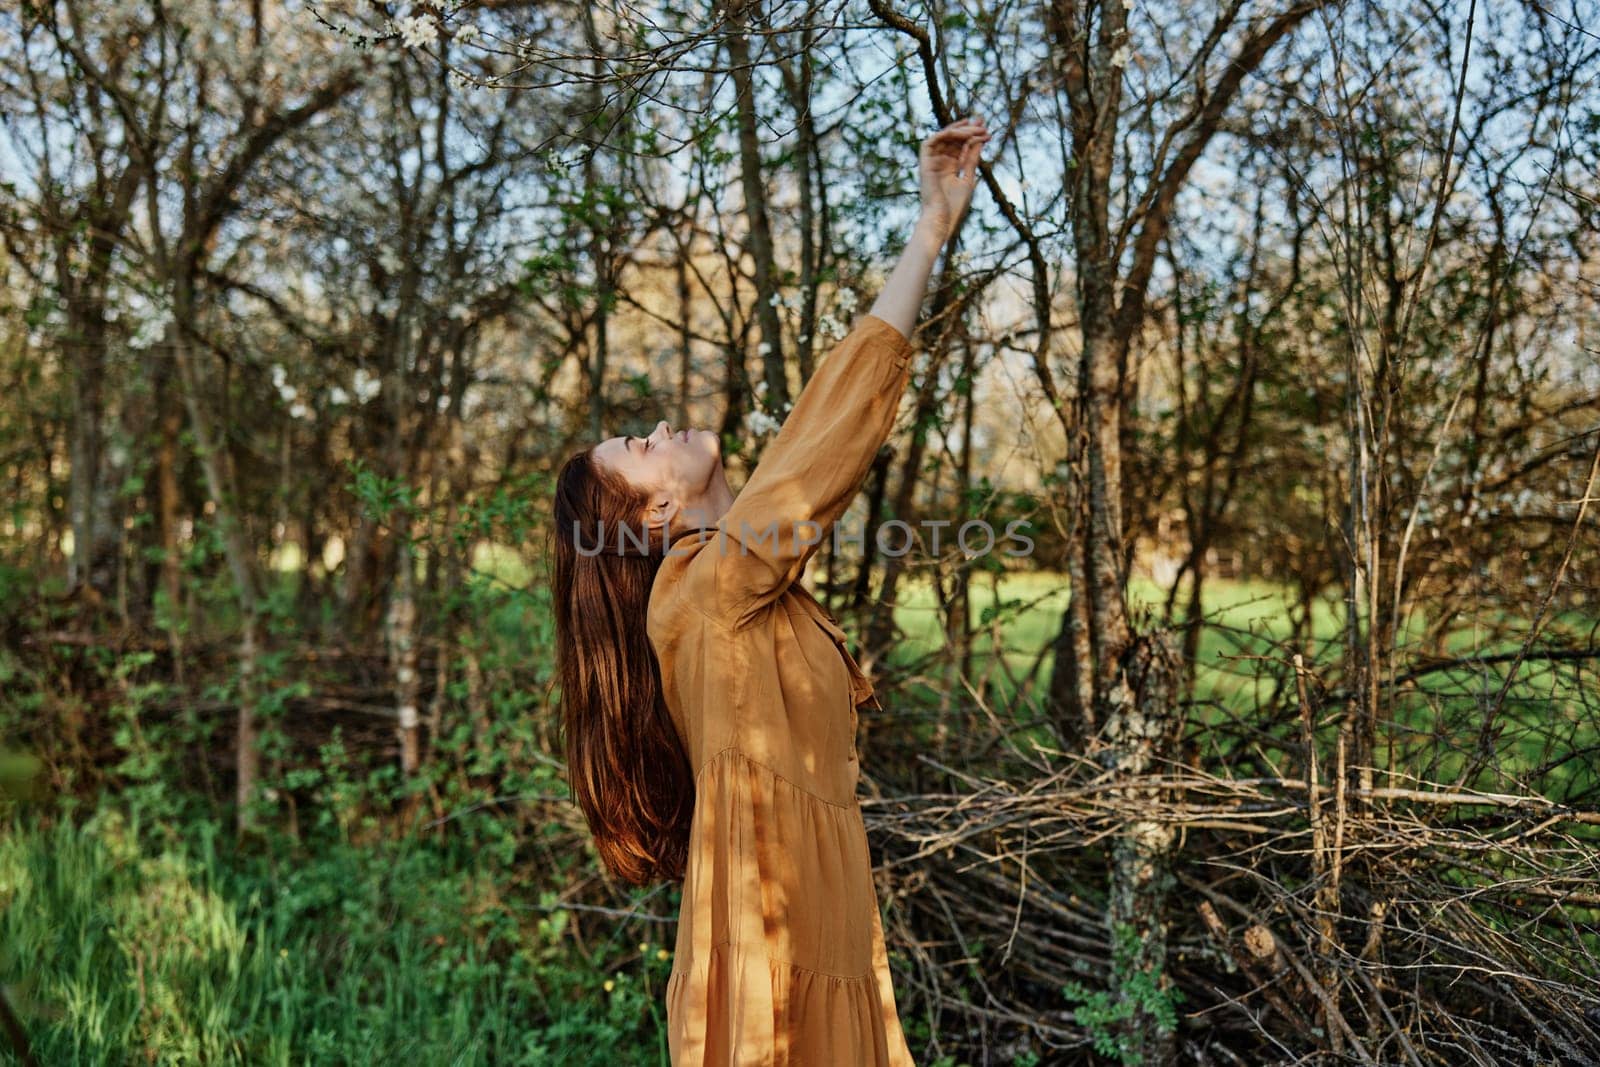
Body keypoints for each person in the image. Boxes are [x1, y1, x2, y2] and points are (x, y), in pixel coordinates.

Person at [550, 115, 990, 1066]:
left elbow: (798, 463)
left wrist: (935, 225)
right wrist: (925, 237)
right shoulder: (703, 588)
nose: (661, 425)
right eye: (640, 446)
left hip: (817, 916)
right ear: (650, 516)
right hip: (768, 930)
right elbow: (825, 440)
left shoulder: (734, 581)